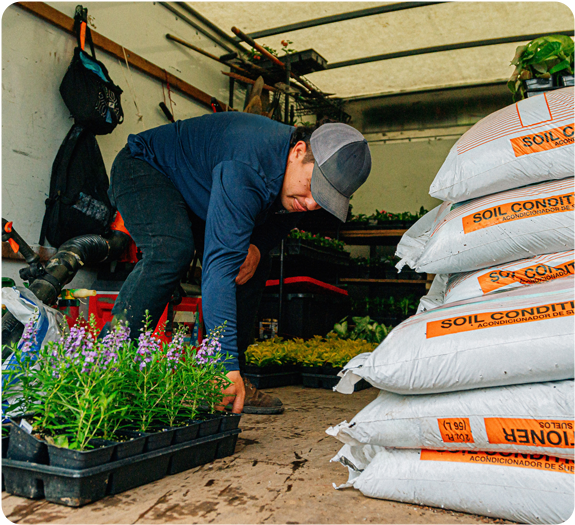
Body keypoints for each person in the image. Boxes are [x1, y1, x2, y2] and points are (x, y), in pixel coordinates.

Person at [107, 112, 371, 415]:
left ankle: (220, 380)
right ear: (298, 152)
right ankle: (109, 364)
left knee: (253, 262)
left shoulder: (296, 181)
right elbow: (219, 267)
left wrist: (258, 247)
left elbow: (286, 220)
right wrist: (225, 360)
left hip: (198, 192)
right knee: (171, 250)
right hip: (145, 168)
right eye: (313, 187)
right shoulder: (247, 167)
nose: (312, 203)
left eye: (323, 198)